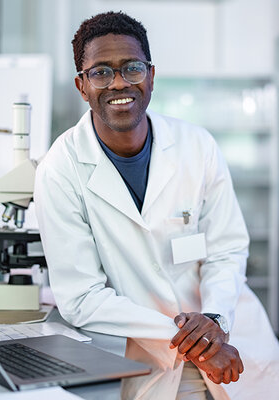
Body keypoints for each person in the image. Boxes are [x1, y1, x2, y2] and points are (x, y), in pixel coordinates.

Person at [34, 11, 279, 399]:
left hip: (236, 347)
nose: (118, 83)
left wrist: (214, 321)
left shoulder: (197, 147)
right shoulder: (60, 170)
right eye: (100, 72)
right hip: (156, 360)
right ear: (82, 86)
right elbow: (81, 298)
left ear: (150, 75)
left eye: (131, 68)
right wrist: (195, 341)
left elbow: (227, 250)